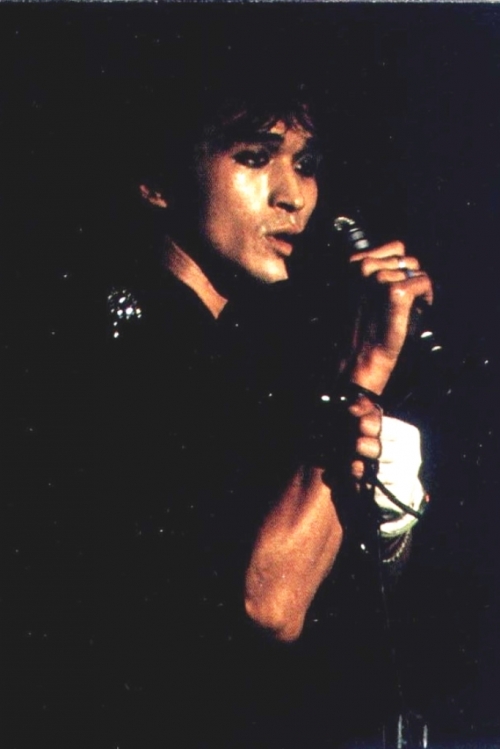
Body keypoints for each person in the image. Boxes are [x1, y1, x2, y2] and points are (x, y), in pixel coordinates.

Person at [102, 81, 433, 746]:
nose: (294, 196)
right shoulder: (128, 346)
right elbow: (270, 607)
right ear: (158, 183)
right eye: (255, 158)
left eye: (305, 165)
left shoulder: (240, 349)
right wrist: (367, 368)